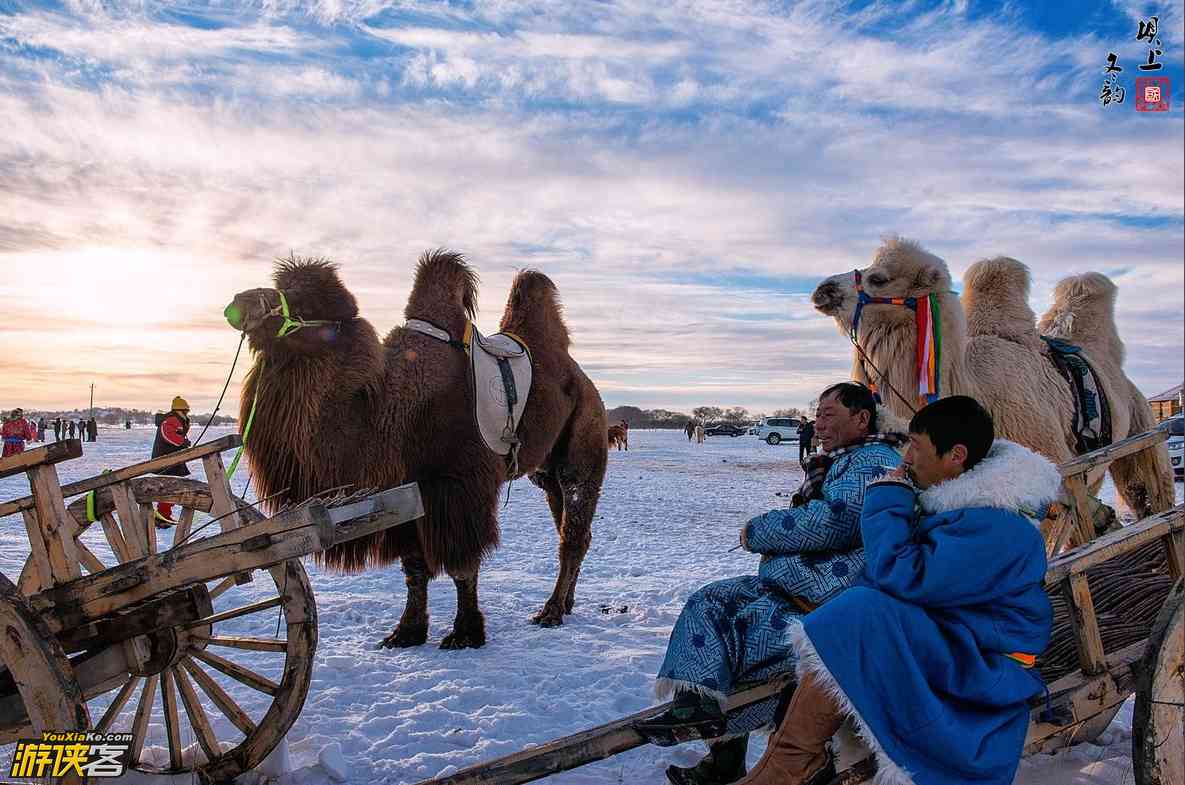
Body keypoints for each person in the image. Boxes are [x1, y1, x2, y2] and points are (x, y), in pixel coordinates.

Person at [739, 396, 1056, 785]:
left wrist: (887, 497)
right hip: (954, 638)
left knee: (858, 613)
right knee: (852, 612)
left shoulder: (999, 526)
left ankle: (788, 767)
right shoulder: (959, 505)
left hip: (983, 661)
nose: (905, 460)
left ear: (955, 456)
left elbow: (900, 575)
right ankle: (786, 762)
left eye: (916, 448)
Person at [634, 383, 905, 785]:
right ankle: (705, 718)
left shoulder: (871, 461)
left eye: (830, 414)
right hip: (804, 590)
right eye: (818, 414)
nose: (819, 423)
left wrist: (758, 531)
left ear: (861, 419)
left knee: (739, 629)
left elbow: (833, 521)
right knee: (714, 603)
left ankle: (750, 746)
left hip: (831, 603)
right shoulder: (841, 460)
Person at [151, 396, 193, 526]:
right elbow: (170, 437)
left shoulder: (177, 420)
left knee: (171, 488)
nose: (186, 414)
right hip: (166, 459)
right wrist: (183, 442)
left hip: (173, 459)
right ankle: (162, 515)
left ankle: (165, 514)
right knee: (168, 488)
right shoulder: (170, 420)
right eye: (185, 412)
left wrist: (183, 441)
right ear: (179, 411)